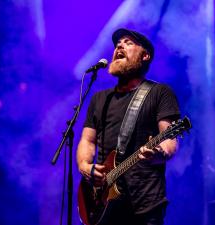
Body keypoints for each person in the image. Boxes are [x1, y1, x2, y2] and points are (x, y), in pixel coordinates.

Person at [76, 28, 181, 225]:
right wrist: (84, 166)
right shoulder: (100, 99)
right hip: (102, 204)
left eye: (128, 42)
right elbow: (87, 140)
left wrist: (158, 152)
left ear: (145, 56)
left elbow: (169, 139)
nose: (119, 45)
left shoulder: (160, 93)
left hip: (144, 206)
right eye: (118, 43)